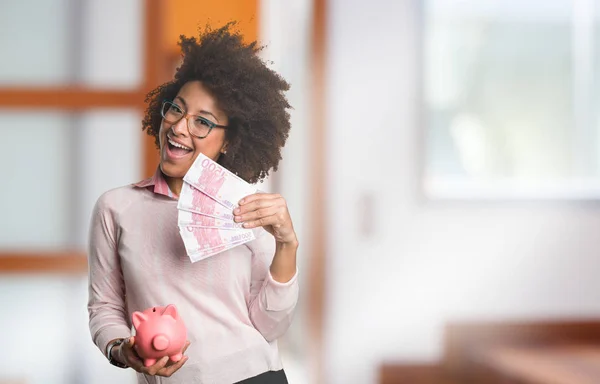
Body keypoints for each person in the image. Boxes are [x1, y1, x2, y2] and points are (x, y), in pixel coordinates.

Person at [87, 22, 299, 384]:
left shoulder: (245, 209)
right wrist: (123, 349)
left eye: (203, 122)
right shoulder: (116, 208)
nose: (180, 128)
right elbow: (104, 307)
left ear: (229, 142)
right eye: (176, 110)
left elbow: (270, 324)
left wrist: (286, 244)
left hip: (254, 376)